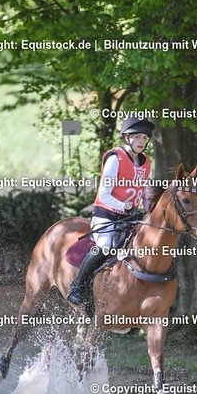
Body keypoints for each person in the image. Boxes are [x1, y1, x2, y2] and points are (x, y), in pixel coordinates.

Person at [67, 116, 155, 307]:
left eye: (144, 137)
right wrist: (127, 207)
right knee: (106, 246)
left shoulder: (146, 162)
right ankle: (77, 286)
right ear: (126, 138)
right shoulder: (116, 158)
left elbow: (147, 194)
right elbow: (104, 195)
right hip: (106, 216)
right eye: (137, 137)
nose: (141, 141)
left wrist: (149, 213)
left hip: (131, 218)